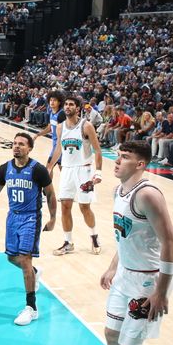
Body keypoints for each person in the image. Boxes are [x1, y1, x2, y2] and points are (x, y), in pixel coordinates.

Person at [83, 141, 173, 345]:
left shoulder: (148, 194)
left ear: (140, 164)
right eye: (118, 155)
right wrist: (113, 266)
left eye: (124, 158)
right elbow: (125, 236)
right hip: (125, 274)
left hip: (148, 281)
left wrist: (160, 292)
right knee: (112, 335)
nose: (116, 160)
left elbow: (171, 245)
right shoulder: (118, 190)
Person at [0, 132, 57, 326]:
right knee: (12, 258)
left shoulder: (38, 170)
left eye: (21, 144)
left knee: (25, 260)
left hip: (31, 218)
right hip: (12, 217)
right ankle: (35, 272)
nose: (16, 146)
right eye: (14, 143)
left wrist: (53, 219)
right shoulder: (5, 168)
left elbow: (51, 195)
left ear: (29, 148)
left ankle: (31, 308)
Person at [48, 95, 103, 256]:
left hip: (84, 170)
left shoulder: (86, 126)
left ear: (78, 108)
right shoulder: (60, 127)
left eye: (71, 105)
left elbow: (97, 150)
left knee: (84, 207)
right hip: (67, 170)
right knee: (65, 206)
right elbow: (58, 148)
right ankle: (68, 242)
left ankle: (94, 236)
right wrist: (50, 167)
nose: (67, 107)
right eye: (66, 104)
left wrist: (98, 172)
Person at [34, 90, 66, 167]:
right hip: (56, 144)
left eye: (54, 100)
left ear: (59, 102)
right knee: (61, 168)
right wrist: (38, 134)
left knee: (48, 167)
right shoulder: (51, 112)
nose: (52, 102)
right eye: (51, 100)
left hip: (60, 145)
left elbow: (63, 132)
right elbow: (49, 128)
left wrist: (59, 146)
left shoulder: (61, 114)